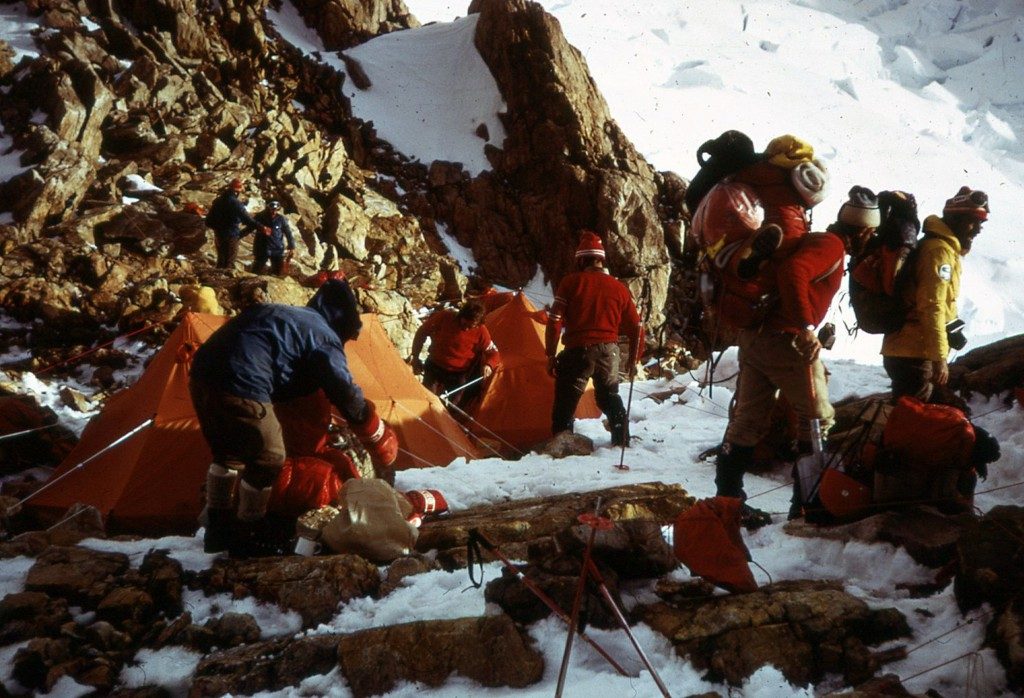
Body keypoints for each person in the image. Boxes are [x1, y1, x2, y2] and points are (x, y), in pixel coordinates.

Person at [189, 279, 399, 556]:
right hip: (244, 382)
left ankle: (217, 528)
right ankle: (248, 531)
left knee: (229, 455)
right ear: (341, 324)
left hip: (201, 375)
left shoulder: (287, 316)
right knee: (269, 458)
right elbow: (345, 391)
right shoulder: (324, 336)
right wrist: (373, 431)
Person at [715, 188, 881, 527]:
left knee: (748, 420)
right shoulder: (831, 246)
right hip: (786, 341)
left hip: (756, 337)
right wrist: (805, 326)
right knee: (817, 418)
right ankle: (807, 504)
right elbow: (793, 272)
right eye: (871, 232)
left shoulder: (816, 239)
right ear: (864, 230)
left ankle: (728, 501)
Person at [881, 186, 989, 403]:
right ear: (955, 219)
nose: (977, 229)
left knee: (914, 413)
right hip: (914, 353)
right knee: (914, 417)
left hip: (909, 349)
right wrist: (939, 358)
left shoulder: (941, 248)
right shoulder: (939, 251)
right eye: (972, 221)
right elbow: (932, 306)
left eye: (980, 223)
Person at [545, 231, 643, 447]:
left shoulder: (570, 283)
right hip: (609, 352)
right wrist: (634, 359)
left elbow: (554, 321)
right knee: (609, 397)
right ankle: (621, 439)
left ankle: (562, 446)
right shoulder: (619, 287)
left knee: (565, 403)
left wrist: (550, 354)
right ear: (601, 260)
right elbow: (636, 326)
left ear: (581, 260)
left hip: (578, 351)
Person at [409, 300, 501, 411]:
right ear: (460, 316)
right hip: (435, 366)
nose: (466, 328)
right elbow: (422, 332)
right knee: (428, 400)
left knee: (452, 407)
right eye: (464, 324)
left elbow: (494, 353)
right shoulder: (445, 317)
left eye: (471, 326)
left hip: (458, 373)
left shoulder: (481, 331)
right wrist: (415, 356)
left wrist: (489, 365)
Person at [205, 178, 266, 269]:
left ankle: (217, 275)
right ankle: (225, 276)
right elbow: (247, 219)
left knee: (221, 259)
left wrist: (217, 228)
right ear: (237, 190)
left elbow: (208, 220)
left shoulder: (218, 200)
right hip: (231, 235)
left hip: (219, 234)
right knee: (229, 261)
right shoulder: (236, 203)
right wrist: (262, 227)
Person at [252, 199, 296, 276]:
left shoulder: (281, 219)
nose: (273, 212)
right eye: (272, 209)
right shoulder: (260, 217)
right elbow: (249, 227)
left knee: (277, 272)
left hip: (277, 249)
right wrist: (239, 236)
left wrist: (292, 246)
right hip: (262, 249)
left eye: (276, 210)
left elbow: (288, 233)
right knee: (256, 271)